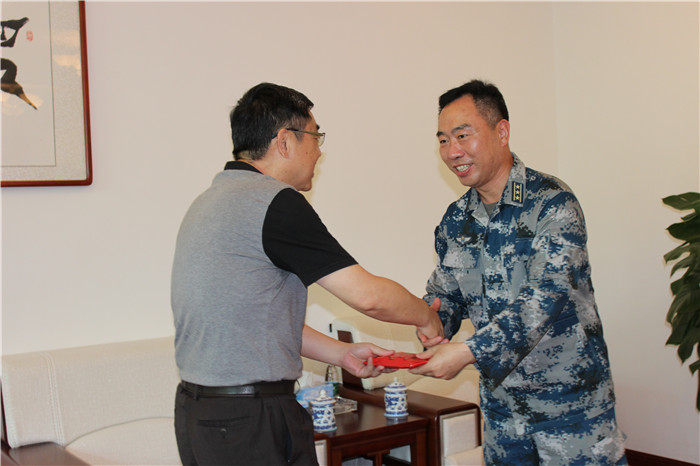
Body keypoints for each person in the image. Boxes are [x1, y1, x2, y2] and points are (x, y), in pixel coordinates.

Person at [170, 82, 443, 466]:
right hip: (251, 420)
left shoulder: (208, 202)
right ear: (285, 141)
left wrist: (342, 353)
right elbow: (369, 297)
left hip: (200, 415)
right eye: (316, 137)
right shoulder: (273, 202)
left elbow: (255, 323)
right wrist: (425, 316)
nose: (319, 151)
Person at [411, 80, 627, 465]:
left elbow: (543, 301)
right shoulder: (456, 221)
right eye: (443, 140)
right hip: (503, 414)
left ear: (502, 131)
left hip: (570, 411)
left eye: (463, 135)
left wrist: (467, 352)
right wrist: (430, 322)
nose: (452, 151)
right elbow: (446, 295)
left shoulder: (552, 203)